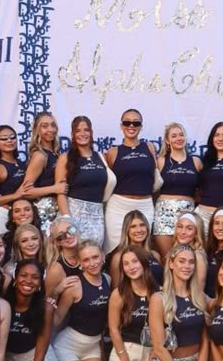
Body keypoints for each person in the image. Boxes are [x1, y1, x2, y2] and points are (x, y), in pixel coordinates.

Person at [147, 244, 212, 361]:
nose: (187, 266)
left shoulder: (200, 297)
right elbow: (159, 348)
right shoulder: (158, 299)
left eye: (191, 262)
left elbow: (205, 341)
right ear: (171, 264)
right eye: (182, 261)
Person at [104, 108, 158, 254]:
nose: (131, 126)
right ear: (121, 126)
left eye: (136, 123)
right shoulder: (113, 152)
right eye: (127, 122)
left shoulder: (150, 148)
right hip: (118, 207)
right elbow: (107, 180)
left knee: (142, 250)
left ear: (141, 126)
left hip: (145, 205)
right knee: (116, 250)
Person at [50, 240, 110, 361]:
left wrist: (102, 348)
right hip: (68, 345)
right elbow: (56, 319)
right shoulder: (75, 285)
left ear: (103, 256)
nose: (92, 263)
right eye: (86, 260)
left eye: (95, 257)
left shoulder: (108, 279)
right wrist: (54, 293)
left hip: (92, 347)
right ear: (81, 263)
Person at [56, 115, 112, 249]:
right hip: (74, 215)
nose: (82, 133)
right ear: (72, 134)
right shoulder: (65, 158)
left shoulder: (101, 157)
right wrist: (67, 219)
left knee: (93, 255)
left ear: (91, 133)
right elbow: (60, 191)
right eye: (78, 130)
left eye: (86, 130)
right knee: (73, 253)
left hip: (97, 216)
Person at [153, 122, 202, 258]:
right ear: (168, 141)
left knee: (186, 257)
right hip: (164, 214)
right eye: (174, 136)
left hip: (187, 214)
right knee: (168, 259)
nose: (178, 138)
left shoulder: (196, 162)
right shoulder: (161, 161)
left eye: (181, 135)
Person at [108, 246, 157, 361]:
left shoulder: (158, 293)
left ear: (143, 262)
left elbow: (163, 331)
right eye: (126, 264)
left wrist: (152, 359)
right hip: (126, 351)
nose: (131, 267)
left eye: (135, 261)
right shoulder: (119, 294)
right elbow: (113, 329)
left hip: (151, 353)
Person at [21, 111, 63, 234]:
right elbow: (26, 191)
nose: (50, 129)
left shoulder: (55, 154)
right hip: (43, 213)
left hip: (56, 211)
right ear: (37, 130)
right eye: (45, 126)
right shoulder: (40, 155)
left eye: (53, 125)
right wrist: (54, 188)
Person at [0, 124, 27, 231]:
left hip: (26, 215)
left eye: (12, 137)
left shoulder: (21, 162)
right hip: (8, 217)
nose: (9, 140)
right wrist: (15, 196)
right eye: (4, 138)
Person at [108, 210, 163, 288]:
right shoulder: (118, 258)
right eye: (133, 226)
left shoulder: (155, 255)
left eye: (142, 225)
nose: (139, 230)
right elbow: (116, 289)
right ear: (126, 230)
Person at [44, 215, 81, 304]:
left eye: (71, 230)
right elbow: (47, 303)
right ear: (56, 242)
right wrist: (57, 290)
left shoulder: (88, 252)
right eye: (61, 236)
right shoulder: (56, 269)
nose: (68, 236)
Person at [173, 211, 208, 292]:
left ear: (196, 232)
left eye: (189, 228)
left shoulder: (198, 256)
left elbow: (198, 290)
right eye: (180, 227)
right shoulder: (174, 251)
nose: (183, 232)